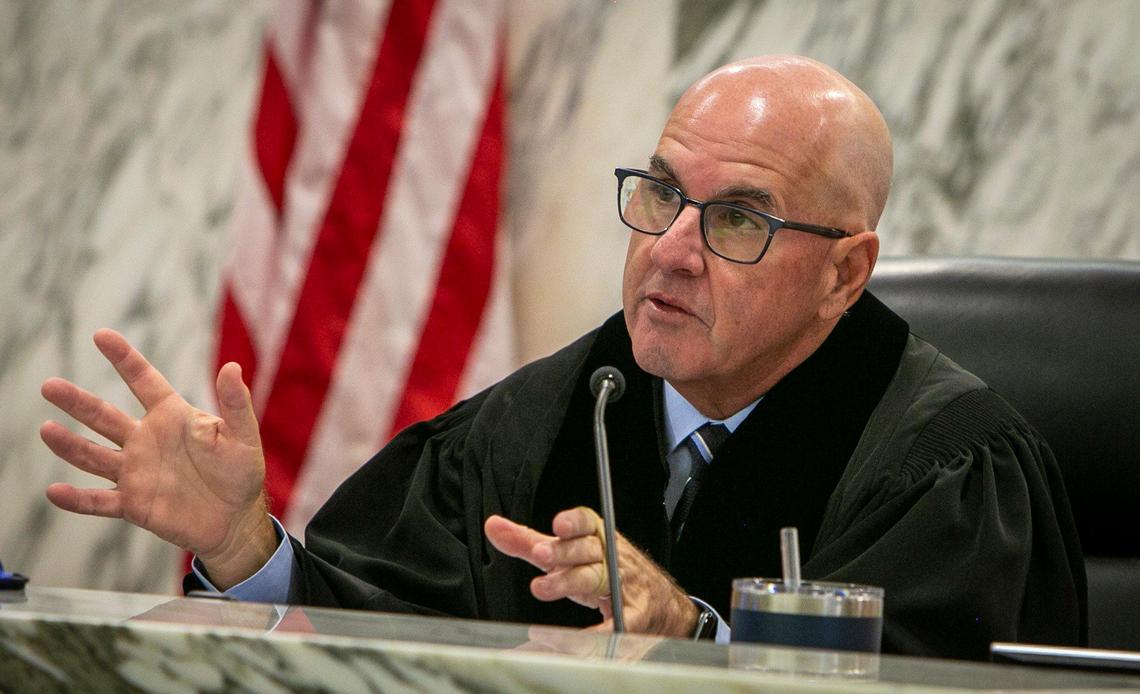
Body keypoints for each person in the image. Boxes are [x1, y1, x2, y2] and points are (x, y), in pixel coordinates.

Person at [39, 55, 1086, 660]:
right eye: (664, 193)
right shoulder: (538, 425)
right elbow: (382, 641)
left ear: (844, 275)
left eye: (736, 220)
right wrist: (241, 545)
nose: (670, 247)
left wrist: (700, 634)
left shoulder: (950, 468)